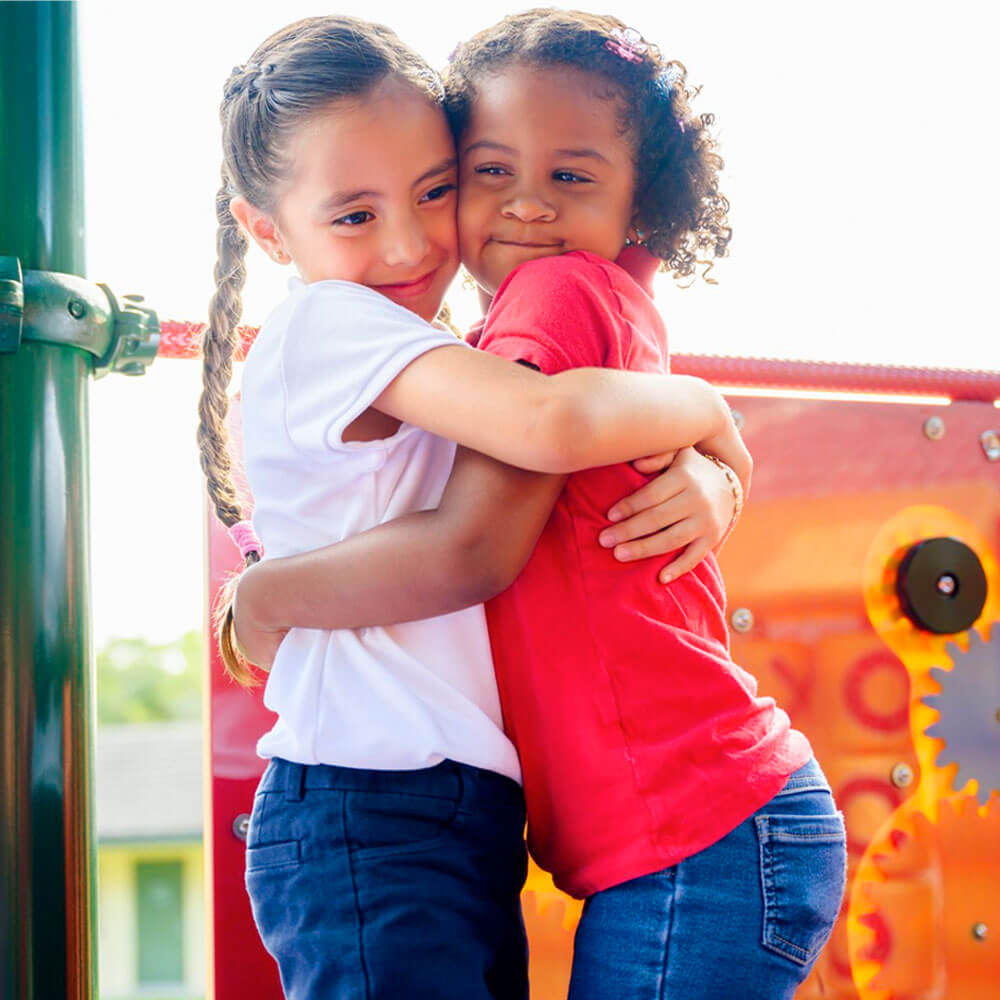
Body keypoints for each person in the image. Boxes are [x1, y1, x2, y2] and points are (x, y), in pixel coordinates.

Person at [234, 11, 847, 1000]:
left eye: (432, 190)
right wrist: (712, 431)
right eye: (485, 172)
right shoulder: (362, 324)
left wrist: (713, 443)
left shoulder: (543, 303)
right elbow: (534, 445)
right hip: (412, 804)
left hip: (629, 819)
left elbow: (518, 476)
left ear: (638, 197)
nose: (521, 206)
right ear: (266, 228)